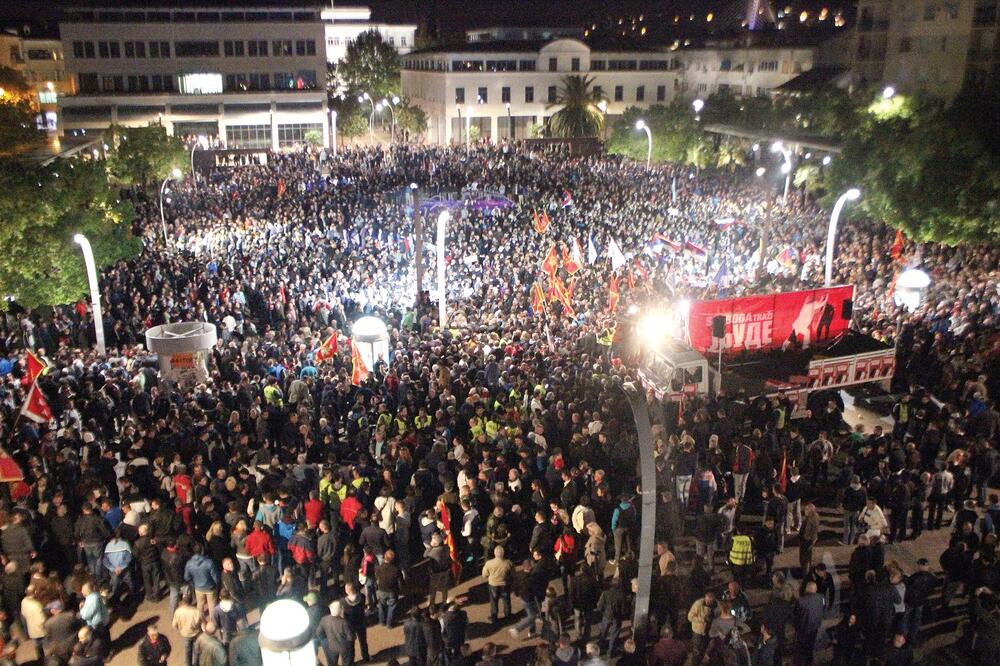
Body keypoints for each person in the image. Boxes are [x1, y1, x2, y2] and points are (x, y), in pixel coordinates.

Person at [793, 581, 825, 666]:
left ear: (807, 589)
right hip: (814, 627)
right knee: (810, 647)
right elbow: (822, 609)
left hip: (803, 629)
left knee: (800, 650)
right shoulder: (821, 598)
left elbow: (795, 615)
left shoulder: (800, 601)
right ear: (815, 589)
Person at [318, 600, 355, 666]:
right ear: (340, 610)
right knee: (347, 662)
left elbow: (319, 632)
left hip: (331, 646)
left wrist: (326, 641)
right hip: (344, 647)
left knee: (332, 664)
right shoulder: (343, 622)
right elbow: (351, 637)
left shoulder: (324, 619)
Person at [482, 546, 513, 622]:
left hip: (493, 585)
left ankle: (494, 617)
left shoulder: (489, 563)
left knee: (494, 601)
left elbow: (484, 575)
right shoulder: (508, 563)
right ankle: (508, 616)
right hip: (504, 584)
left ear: (494, 553)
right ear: (503, 553)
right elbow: (513, 574)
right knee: (506, 600)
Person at [687, 589, 718, 666]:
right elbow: (690, 617)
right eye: (707, 597)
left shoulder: (717, 605)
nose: (708, 600)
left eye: (711, 598)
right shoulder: (698, 604)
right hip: (698, 632)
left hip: (709, 632)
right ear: (705, 596)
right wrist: (703, 619)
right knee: (696, 652)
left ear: (714, 598)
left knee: (704, 651)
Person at [375, 549, 403, 628]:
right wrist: (400, 589)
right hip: (392, 590)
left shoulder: (379, 568)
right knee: (392, 607)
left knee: (382, 606)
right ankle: (389, 623)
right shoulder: (396, 569)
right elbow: (400, 581)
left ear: (384, 557)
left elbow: (377, 577)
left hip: (381, 589)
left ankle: (382, 621)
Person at [173, 592, 203, 666]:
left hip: (185, 634)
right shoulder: (196, 611)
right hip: (196, 634)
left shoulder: (178, 611)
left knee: (187, 651)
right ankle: (196, 664)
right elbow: (202, 623)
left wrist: (180, 629)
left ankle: (187, 664)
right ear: (191, 602)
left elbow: (174, 625)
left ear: (183, 602)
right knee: (196, 650)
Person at [799, 502, 820, 578]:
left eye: (806, 510)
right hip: (811, 540)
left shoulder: (809, 520)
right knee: (808, 557)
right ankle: (807, 571)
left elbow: (807, 532)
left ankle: (806, 574)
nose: (804, 511)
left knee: (805, 558)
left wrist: (804, 538)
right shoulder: (815, 516)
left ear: (810, 511)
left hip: (807, 541)